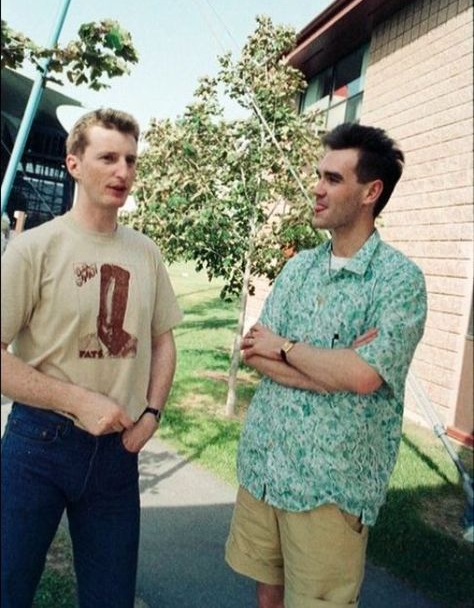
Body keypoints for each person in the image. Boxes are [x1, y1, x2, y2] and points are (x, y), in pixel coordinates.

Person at [225, 122, 427, 608]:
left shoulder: (398, 281)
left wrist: (288, 348)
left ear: (370, 192)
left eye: (333, 179)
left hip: (330, 488)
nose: (316, 187)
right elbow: (254, 350)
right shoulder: (300, 268)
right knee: (267, 593)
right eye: (319, 175)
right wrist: (329, 366)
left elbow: (363, 376)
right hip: (266, 467)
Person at [1, 108, 183, 608]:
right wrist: (77, 399)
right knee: (8, 586)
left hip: (115, 458)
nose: (122, 171)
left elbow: (164, 340)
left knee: (111, 597)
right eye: (107, 157)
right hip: (37, 445)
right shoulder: (34, 249)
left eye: (130, 159)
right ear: (74, 164)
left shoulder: (146, 253)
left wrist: (152, 413)